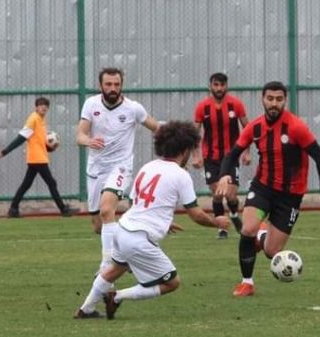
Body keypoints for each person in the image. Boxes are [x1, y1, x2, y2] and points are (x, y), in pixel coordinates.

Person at [74, 121, 231, 319]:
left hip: (122, 229)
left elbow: (135, 202)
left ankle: (85, 309)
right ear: (184, 150)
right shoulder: (180, 175)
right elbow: (196, 214)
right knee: (172, 283)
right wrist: (217, 222)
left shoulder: (148, 167)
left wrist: (163, 221)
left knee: (115, 269)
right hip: (139, 238)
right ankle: (117, 297)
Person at [215, 81, 320, 297]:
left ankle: (262, 234)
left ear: (285, 101)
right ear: (262, 99)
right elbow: (232, 154)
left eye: (279, 99)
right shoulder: (255, 127)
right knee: (247, 229)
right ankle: (247, 283)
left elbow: (319, 157)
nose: (274, 103)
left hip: (290, 196)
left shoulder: (296, 127)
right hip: (262, 188)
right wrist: (225, 175)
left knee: (272, 251)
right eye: (270, 99)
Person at [76, 68, 161, 274]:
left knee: (107, 210)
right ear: (100, 86)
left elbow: (157, 127)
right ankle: (128, 253)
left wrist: (176, 151)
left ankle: (107, 266)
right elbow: (80, 135)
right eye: (108, 84)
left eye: (116, 84)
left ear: (121, 85)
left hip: (120, 167)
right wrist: (89, 141)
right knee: (99, 225)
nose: (113, 88)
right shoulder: (91, 104)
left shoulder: (133, 108)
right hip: (96, 169)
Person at [191, 72, 251, 238]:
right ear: (210, 86)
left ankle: (234, 214)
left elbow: (247, 129)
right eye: (216, 85)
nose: (219, 88)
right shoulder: (202, 107)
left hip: (231, 157)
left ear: (226, 86)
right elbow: (194, 134)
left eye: (222, 85)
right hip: (211, 157)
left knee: (231, 195)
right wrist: (196, 155)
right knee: (218, 194)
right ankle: (221, 228)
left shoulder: (236, 104)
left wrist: (247, 152)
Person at [0, 96, 79, 218]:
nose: (44, 107)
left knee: (26, 184)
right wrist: (6, 151)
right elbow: (21, 138)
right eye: (41, 105)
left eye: (46, 106)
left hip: (38, 156)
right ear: (36, 107)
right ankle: (63, 209)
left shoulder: (42, 119)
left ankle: (13, 209)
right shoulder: (33, 119)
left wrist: (49, 148)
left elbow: (38, 140)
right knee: (51, 182)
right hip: (37, 158)